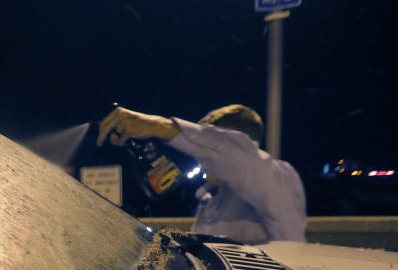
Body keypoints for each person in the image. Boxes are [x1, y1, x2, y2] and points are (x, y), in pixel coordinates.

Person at [96, 104, 306, 244]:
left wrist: (158, 126)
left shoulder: (278, 178)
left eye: (208, 148)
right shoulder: (209, 198)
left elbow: (244, 162)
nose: (202, 157)